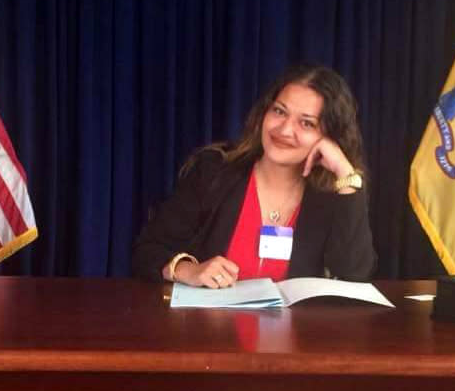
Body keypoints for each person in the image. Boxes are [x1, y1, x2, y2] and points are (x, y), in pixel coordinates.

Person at [132, 64, 377, 288]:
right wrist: (188, 270)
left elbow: (354, 277)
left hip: (297, 336)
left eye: (307, 123)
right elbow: (148, 251)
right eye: (280, 112)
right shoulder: (214, 171)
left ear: (330, 137)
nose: (284, 130)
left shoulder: (333, 196)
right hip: (208, 333)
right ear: (264, 114)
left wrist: (346, 175)